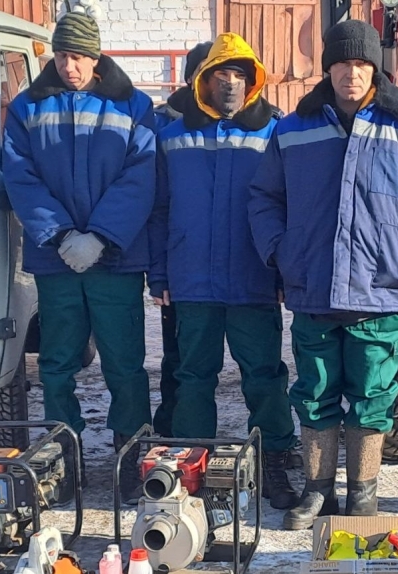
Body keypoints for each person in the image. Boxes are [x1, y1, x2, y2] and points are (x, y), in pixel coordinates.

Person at [249, 20, 398, 528]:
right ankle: (317, 490)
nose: (352, 73)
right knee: (315, 392)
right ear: (328, 68)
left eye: (362, 64)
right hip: (314, 289)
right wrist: (282, 252)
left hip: (383, 290)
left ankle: (363, 493)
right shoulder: (294, 127)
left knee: (373, 398)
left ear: (376, 68)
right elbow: (264, 197)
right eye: (343, 63)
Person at [2, 9, 156, 496]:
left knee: (125, 363)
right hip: (57, 260)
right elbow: (19, 175)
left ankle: (131, 457)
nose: (71, 66)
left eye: (81, 56)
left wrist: (103, 236)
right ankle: (61, 457)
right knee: (57, 364)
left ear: (96, 57)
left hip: (115, 259)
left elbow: (141, 173)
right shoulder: (26, 107)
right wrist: (63, 235)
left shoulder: (133, 105)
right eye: (64, 55)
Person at [148, 32, 299, 510]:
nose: (230, 83)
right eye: (221, 74)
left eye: (240, 74)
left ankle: (276, 458)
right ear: (202, 80)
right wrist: (160, 275)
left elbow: (288, 207)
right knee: (193, 376)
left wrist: (281, 271)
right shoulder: (171, 137)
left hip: (254, 279)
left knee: (266, 376)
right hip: (192, 281)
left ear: (253, 81)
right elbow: (158, 209)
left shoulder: (274, 133)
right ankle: (195, 467)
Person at [149, 41, 213, 438]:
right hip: (183, 267)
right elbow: (156, 208)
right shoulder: (163, 127)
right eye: (205, 71)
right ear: (191, 77)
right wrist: (160, 272)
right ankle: (172, 434)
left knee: (260, 368)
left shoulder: (259, 122)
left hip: (240, 272)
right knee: (178, 359)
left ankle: (275, 449)